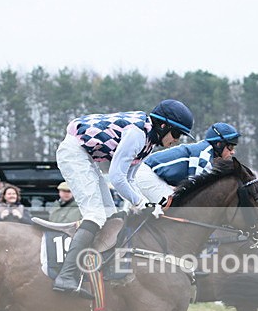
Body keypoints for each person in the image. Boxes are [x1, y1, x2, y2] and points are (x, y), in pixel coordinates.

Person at [53, 98, 194, 294]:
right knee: (95, 216)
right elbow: (116, 177)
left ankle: (96, 269)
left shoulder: (149, 141)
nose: (177, 140)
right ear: (163, 126)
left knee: (112, 216)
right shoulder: (137, 134)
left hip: (85, 156)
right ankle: (66, 275)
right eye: (177, 133)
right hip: (74, 153)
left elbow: (130, 180)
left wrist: (151, 204)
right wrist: (141, 203)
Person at [136, 122, 239, 204]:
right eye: (230, 147)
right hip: (147, 174)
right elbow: (198, 193)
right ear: (218, 144)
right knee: (175, 208)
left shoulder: (205, 151)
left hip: (150, 174)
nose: (232, 152)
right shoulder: (204, 154)